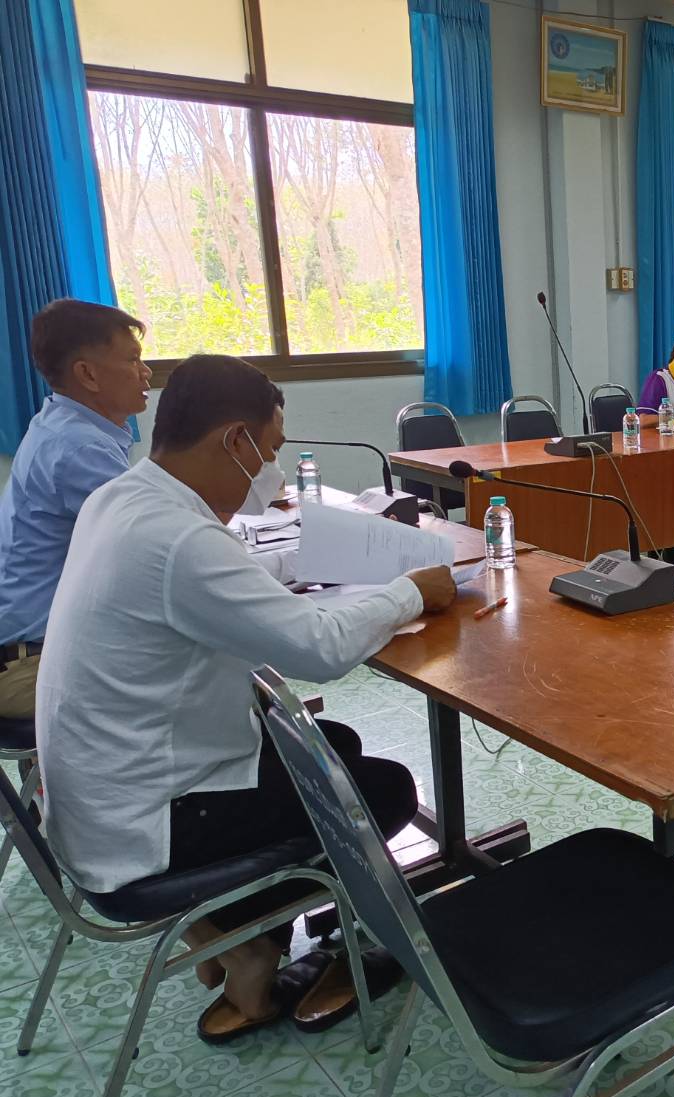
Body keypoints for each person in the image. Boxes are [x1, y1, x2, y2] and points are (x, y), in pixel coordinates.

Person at [35, 354, 456, 1042]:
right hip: (148, 827)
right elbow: (318, 651)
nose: (273, 469)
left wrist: (309, 560)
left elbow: (212, 577)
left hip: (98, 798)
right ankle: (252, 940)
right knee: (378, 790)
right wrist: (413, 590)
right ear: (234, 440)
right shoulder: (177, 539)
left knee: (336, 747)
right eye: (270, 449)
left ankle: (236, 932)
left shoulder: (126, 497)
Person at [0, 300, 151, 718]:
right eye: (133, 360)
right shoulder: (80, 447)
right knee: (194, 674)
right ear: (87, 373)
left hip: (29, 645)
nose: (146, 372)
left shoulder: (61, 423)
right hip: (31, 663)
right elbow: (148, 549)